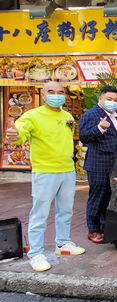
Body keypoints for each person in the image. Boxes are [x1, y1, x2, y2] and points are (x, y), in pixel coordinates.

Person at [5, 81, 85, 272]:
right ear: (43, 95)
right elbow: (19, 135)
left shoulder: (67, 116)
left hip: (67, 169)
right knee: (40, 213)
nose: (56, 95)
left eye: (60, 92)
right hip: (45, 171)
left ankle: (63, 243)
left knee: (66, 210)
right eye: (51, 92)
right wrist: (13, 134)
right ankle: (35, 253)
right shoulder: (32, 115)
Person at [79, 85, 117, 244]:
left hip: (114, 162)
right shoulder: (92, 114)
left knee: (109, 195)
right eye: (109, 99)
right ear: (100, 99)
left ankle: (104, 224)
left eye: (116, 100)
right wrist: (99, 128)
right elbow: (83, 137)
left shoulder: (116, 115)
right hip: (98, 162)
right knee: (97, 196)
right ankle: (93, 229)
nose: (113, 102)